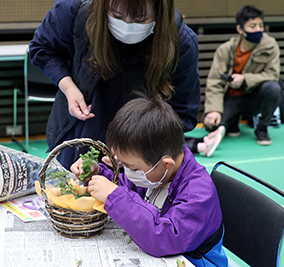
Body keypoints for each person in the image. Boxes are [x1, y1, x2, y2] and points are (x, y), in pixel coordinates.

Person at [29, 0, 200, 168]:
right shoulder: (75, 8)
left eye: (140, 18)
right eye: (117, 15)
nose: (128, 25)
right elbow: (42, 48)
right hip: (79, 130)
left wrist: (135, 147)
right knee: (68, 192)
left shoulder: (181, 41)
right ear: (103, 3)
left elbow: (184, 112)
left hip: (139, 151)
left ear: (159, 10)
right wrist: (69, 88)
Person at [71, 97, 227, 266]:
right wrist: (99, 174)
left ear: (166, 164)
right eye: (124, 166)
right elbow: (126, 188)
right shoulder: (157, 173)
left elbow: (165, 239)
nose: (129, 173)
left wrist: (114, 197)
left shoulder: (198, 193)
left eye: (133, 168)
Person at [202, 5, 281, 146]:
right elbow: (215, 81)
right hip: (230, 97)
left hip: (252, 98)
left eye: (261, 25)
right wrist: (213, 110)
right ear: (240, 29)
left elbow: (272, 74)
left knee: (273, 87)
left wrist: (245, 79)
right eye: (253, 26)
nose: (258, 30)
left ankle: (262, 128)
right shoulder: (225, 49)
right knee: (212, 126)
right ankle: (232, 121)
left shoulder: (270, 45)